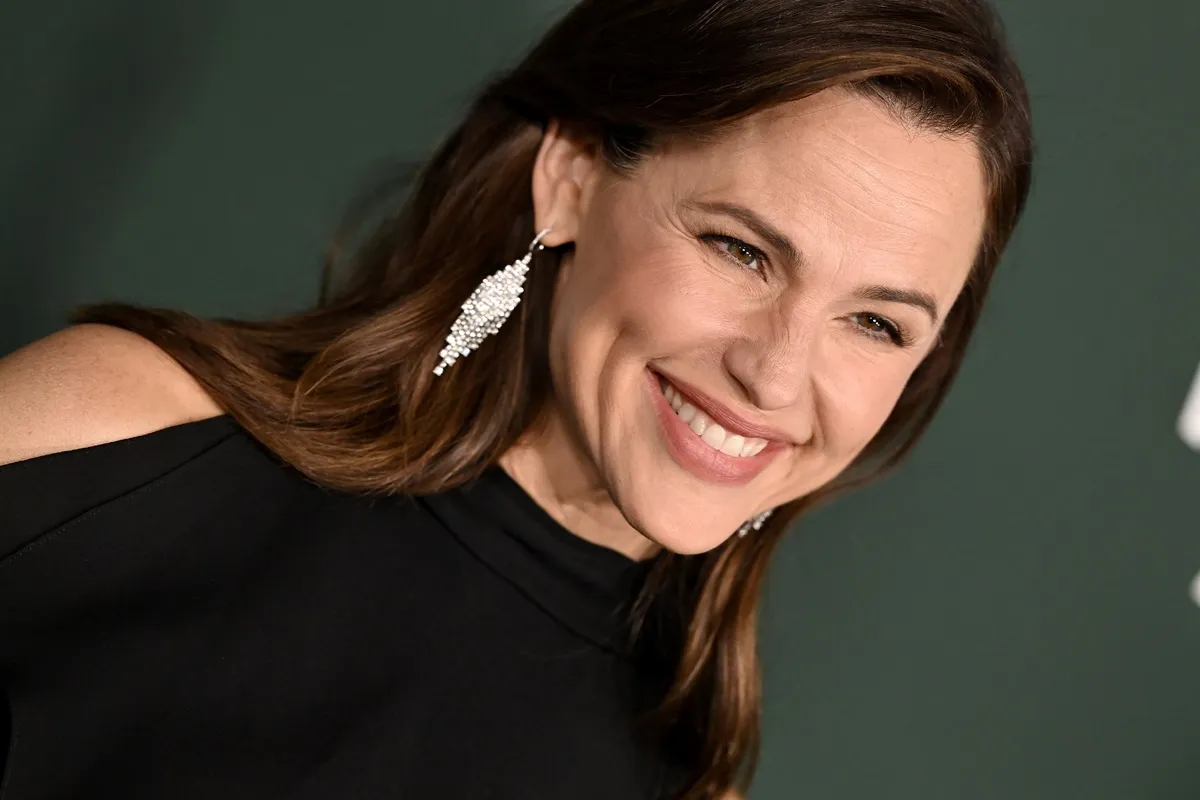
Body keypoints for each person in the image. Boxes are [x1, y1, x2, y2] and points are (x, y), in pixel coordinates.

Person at [0, 0, 1033, 797]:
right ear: (574, 174)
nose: (774, 374)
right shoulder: (128, 433)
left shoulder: (683, 780)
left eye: (877, 322)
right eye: (742, 249)